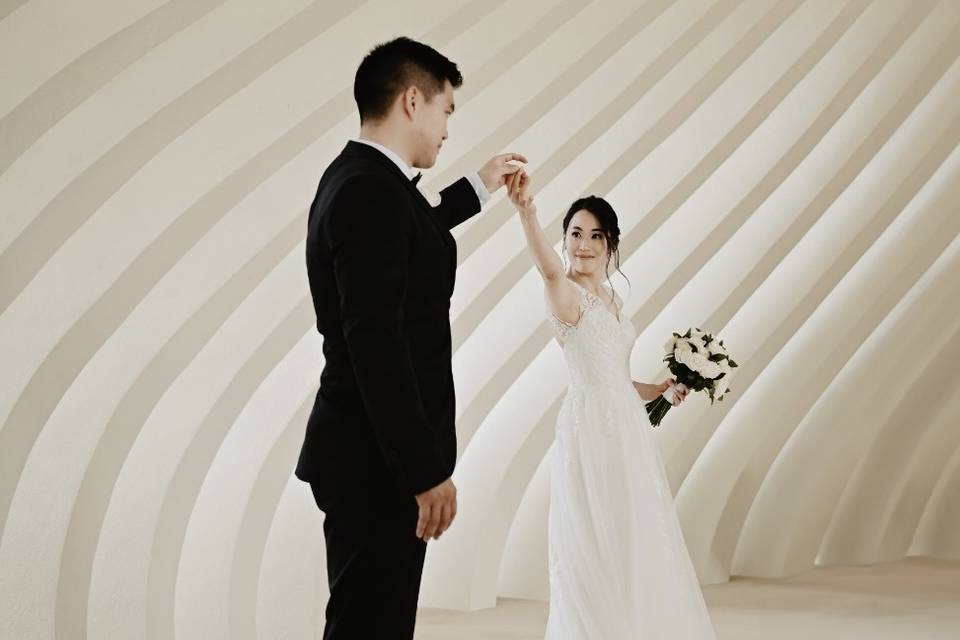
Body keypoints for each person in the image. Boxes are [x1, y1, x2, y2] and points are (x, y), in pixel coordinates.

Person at [295, 37, 525, 639]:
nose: (448, 128)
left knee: (379, 622)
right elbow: (376, 342)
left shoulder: (366, 180)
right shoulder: (369, 191)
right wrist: (424, 470)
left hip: (368, 453)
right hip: (376, 461)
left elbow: (412, 230)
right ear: (413, 100)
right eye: (447, 110)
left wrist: (478, 187)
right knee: (369, 626)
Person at [506, 170, 718, 639]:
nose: (582, 244)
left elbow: (615, 379)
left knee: (632, 539)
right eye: (575, 234)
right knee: (593, 544)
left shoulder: (612, 299)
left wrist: (660, 389)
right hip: (590, 434)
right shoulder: (566, 294)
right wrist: (528, 214)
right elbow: (546, 269)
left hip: (626, 429)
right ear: (564, 240)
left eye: (594, 235)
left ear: (610, 243)